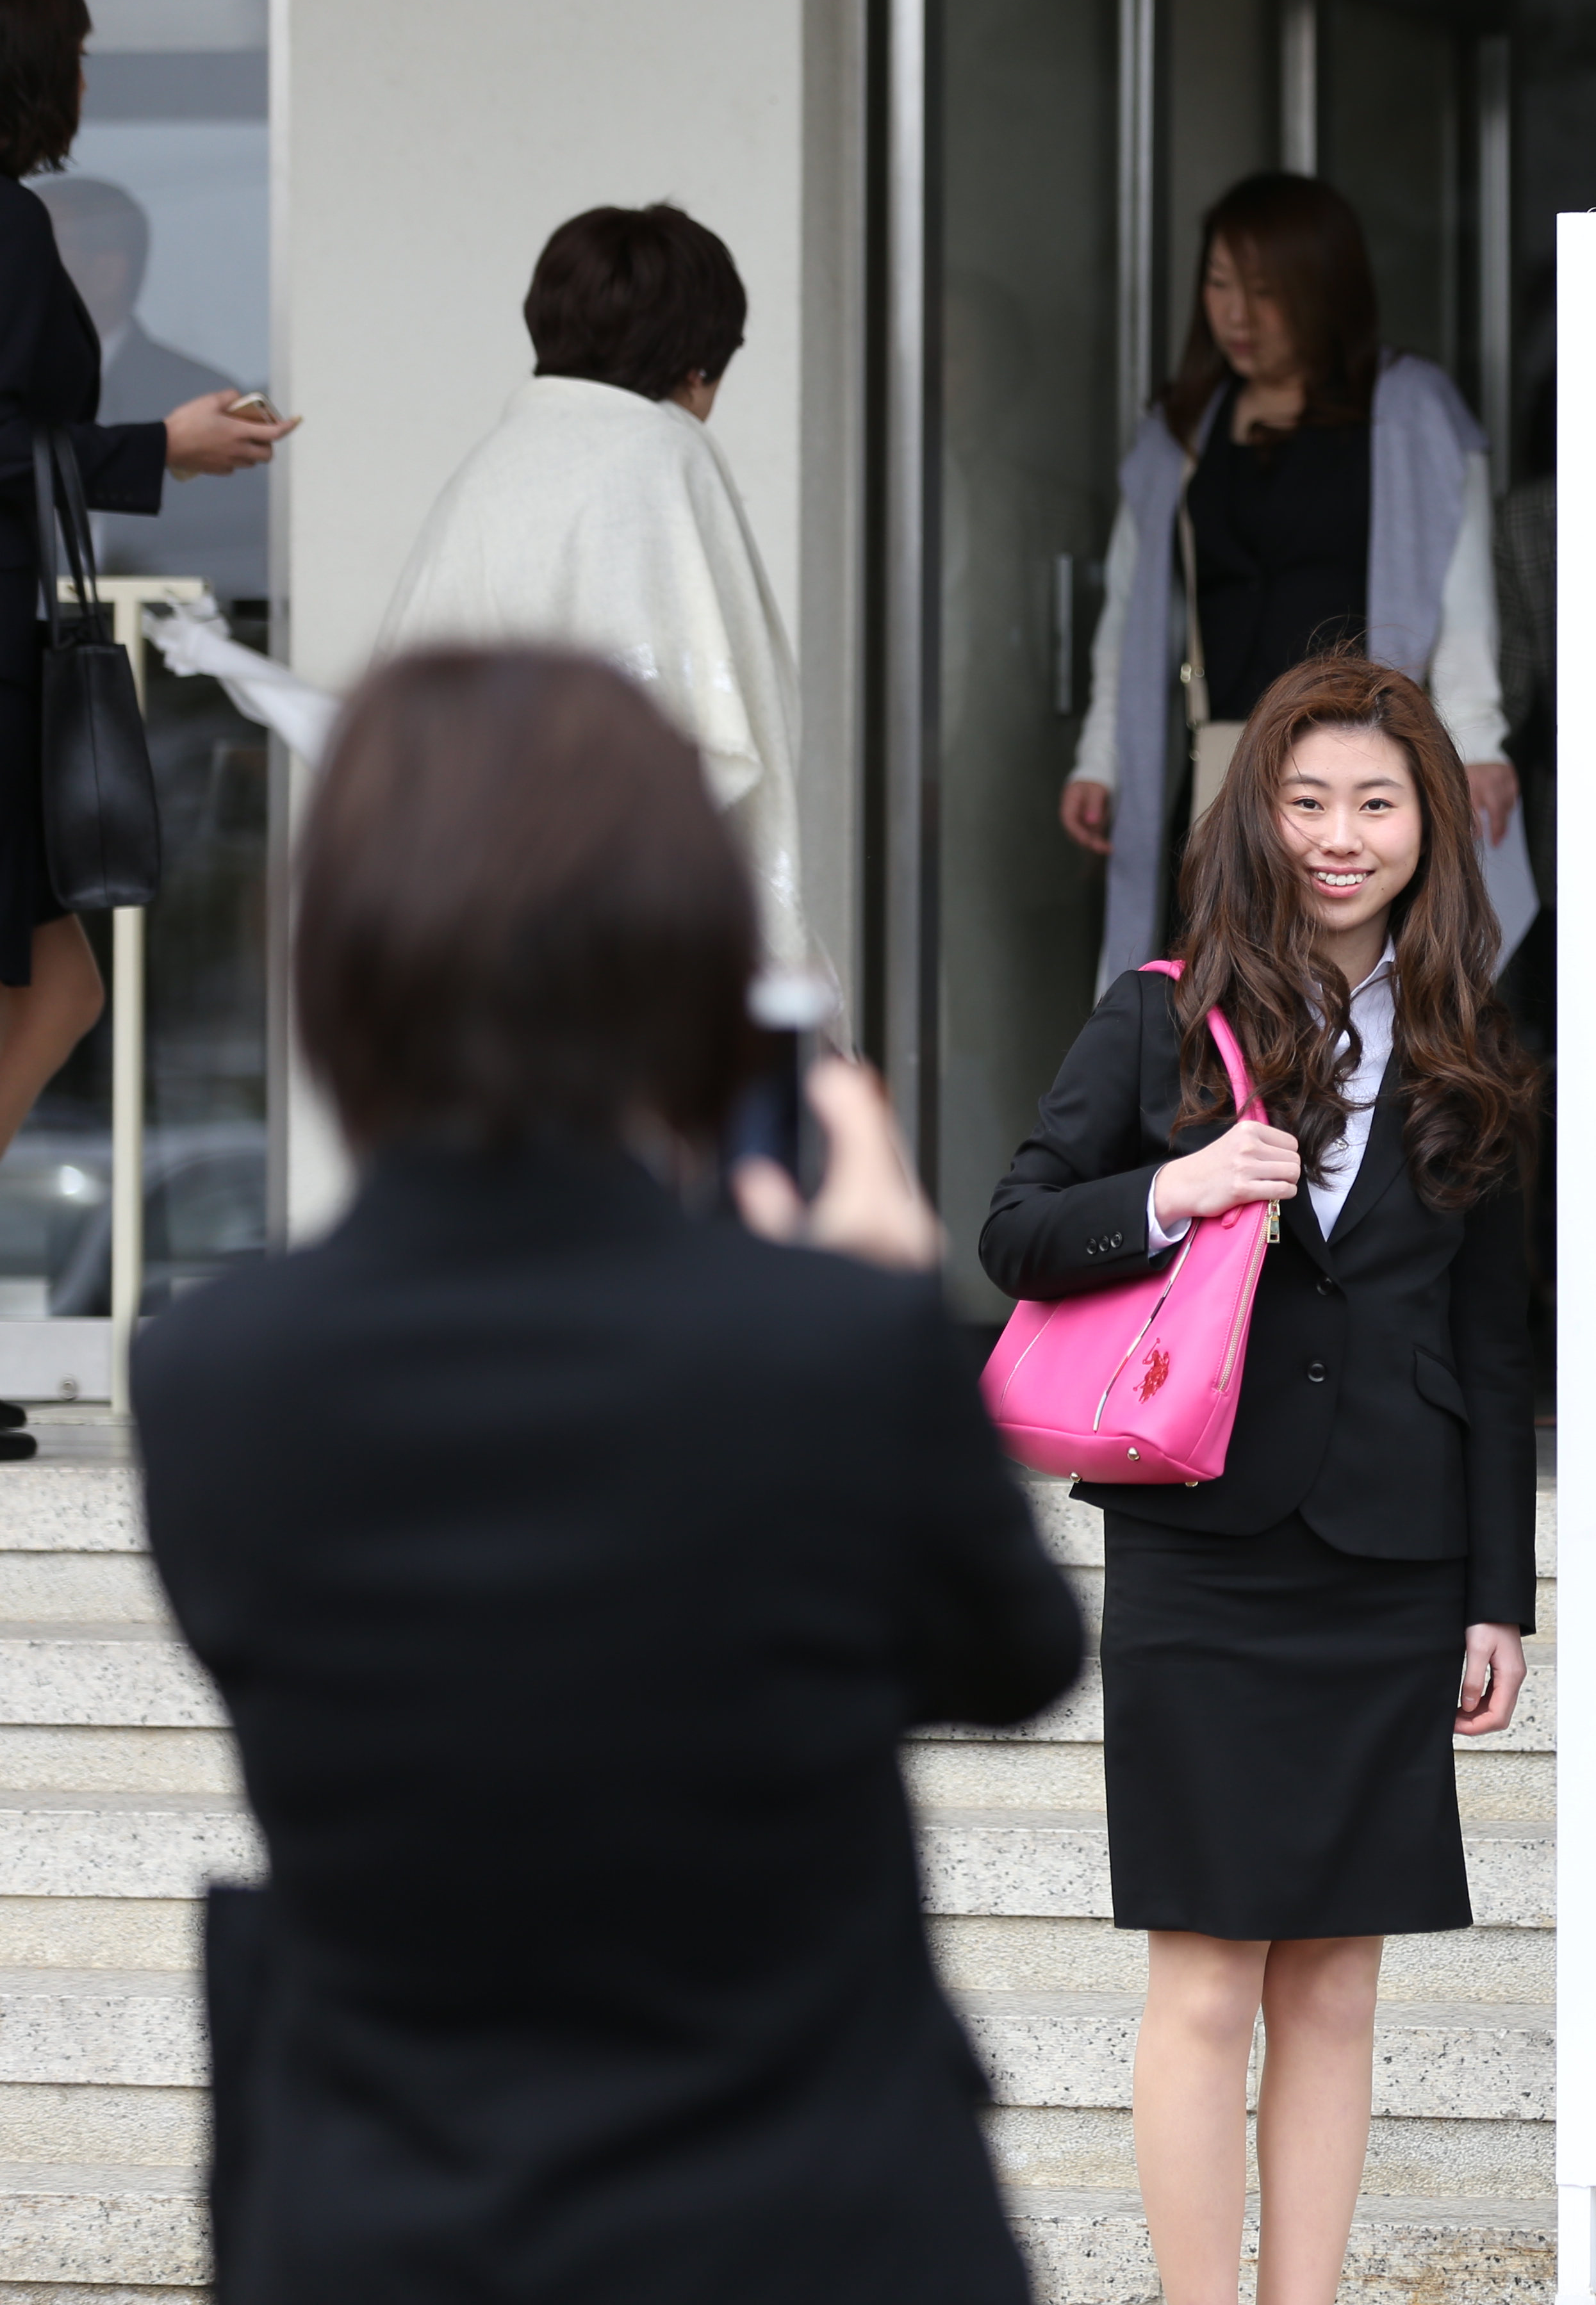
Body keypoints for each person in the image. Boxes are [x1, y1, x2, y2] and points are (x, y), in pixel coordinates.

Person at [133, 647, 1082, 2304]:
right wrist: (886, 1288)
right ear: (683, 949)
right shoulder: (820, 1349)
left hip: (383, 2231)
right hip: (815, 2227)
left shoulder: (214, 1375)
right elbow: (1017, 1661)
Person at [982, 651, 1537, 2305]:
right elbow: (1016, 1227)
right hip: (1205, 1553)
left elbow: (1495, 1345)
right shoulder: (1162, 1007)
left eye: (1375, 804)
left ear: (1430, 825)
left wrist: (1498, 1595)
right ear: (1259, 814)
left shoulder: (1476, 1043)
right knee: (1207, 1982)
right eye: (1306, 803)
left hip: (1388, 1556)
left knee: (1338, 1989)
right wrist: (1178, 1187)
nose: (1339, 837)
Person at [0, 0, 284, 1459]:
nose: (90, 79)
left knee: (65, 993)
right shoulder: (4, 223)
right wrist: (158, 444)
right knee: (58, 994)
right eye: (80, 52)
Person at [1057, 172, 1512, 996]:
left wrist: (1476, 738)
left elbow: (1462, 588)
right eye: (1220, 285)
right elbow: (1132, 615)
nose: (1235, 315)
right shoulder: (1183, 426)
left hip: (1359, 769)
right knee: (1213, 995)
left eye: (1264, 291)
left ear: (1322, 288)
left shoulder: (1406, 407)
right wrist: (1101, 758)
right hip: (1221, 769)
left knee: (1375, 989)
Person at [375, 202, 810, 972]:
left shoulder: (492, 464)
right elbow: (703, 731)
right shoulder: (661, 452)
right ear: (698, 364)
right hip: (608, 937)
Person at [37, 172, 268, 596]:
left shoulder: (201, 400)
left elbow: (230, 569)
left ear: (107, 272)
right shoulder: (14, 386)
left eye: (34, 254)